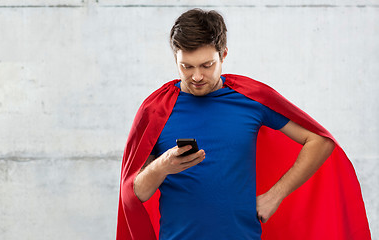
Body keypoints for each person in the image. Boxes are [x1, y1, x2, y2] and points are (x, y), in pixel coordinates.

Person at [117, 8, 370, 240]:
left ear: (223, 54)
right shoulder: (155, 110)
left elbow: (319, 141)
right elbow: (134, 194)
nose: (196, 76)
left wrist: (275, 195)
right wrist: (162, 166)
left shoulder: (251, 98)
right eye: (186, 66)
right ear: (175, 59)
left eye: (207, 65)